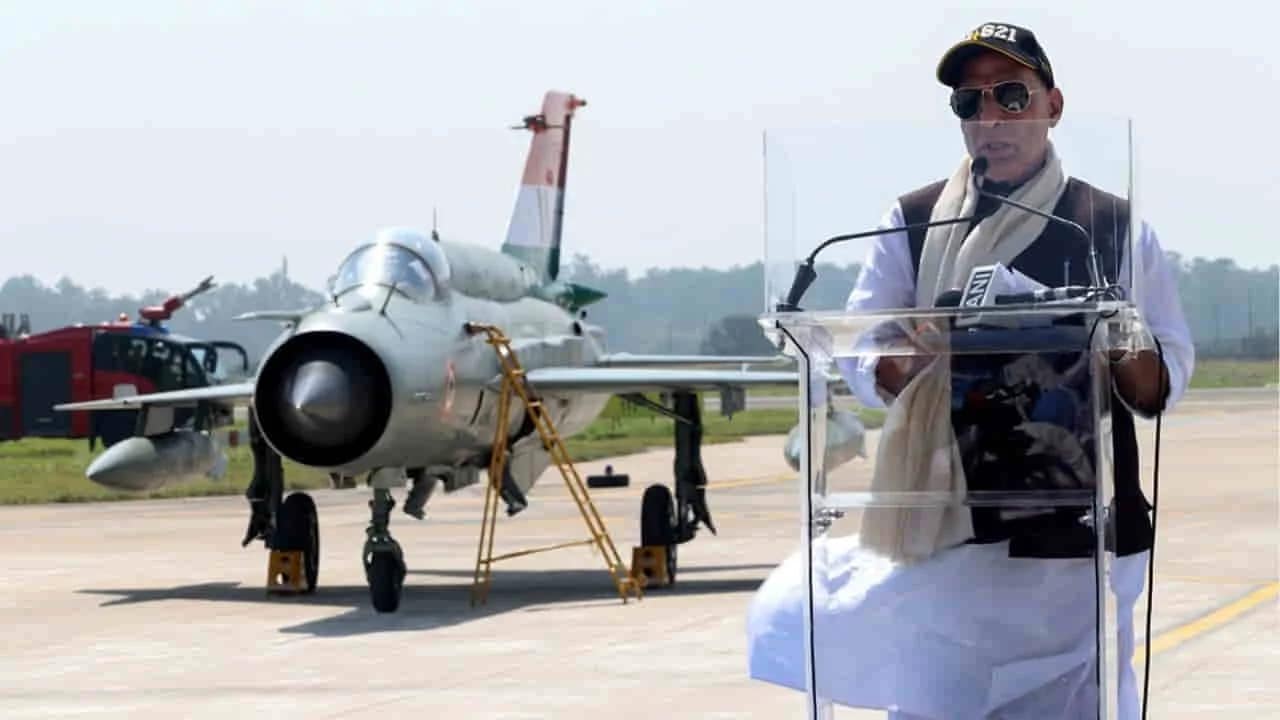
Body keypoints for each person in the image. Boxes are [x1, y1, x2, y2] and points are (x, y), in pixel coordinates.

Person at [746, 22, 1195, 719]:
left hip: (1077, 533)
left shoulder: (1109, 226)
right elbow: (863, 349)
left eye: (1011, 96)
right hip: (946, 527)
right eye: (969, 101)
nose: (991, 117)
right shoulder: (912, 221)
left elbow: (1161, 378)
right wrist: (913, 360)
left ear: (1053, 105)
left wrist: (1114, 333)